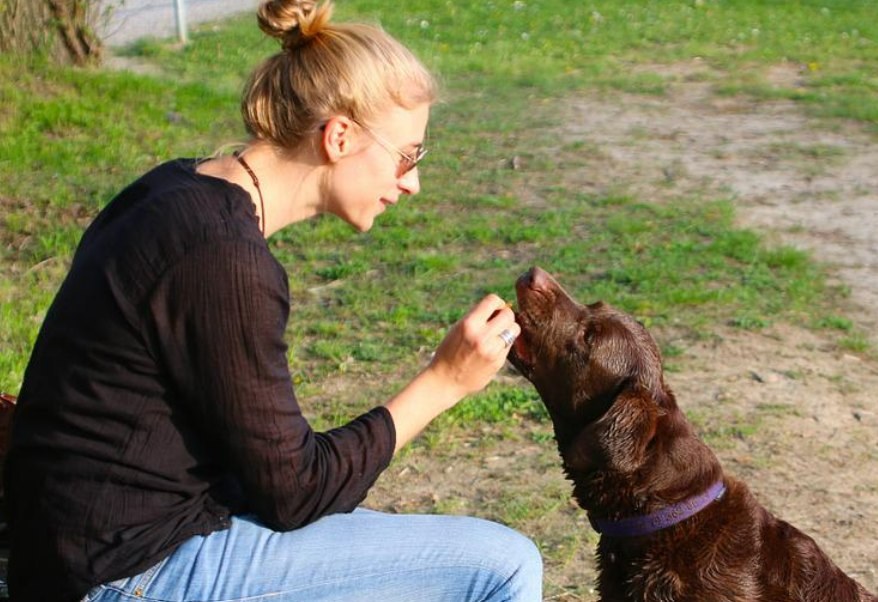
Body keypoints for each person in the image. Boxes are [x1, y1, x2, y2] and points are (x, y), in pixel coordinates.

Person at [4, 1, 542, 601]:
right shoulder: (223, 259)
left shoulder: (178, 190)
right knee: (502, 564)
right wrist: (446, 381)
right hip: (122, 572)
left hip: (81, 547)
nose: (412, 181)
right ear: (339, 136)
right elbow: (295, 494)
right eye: (408, 155)